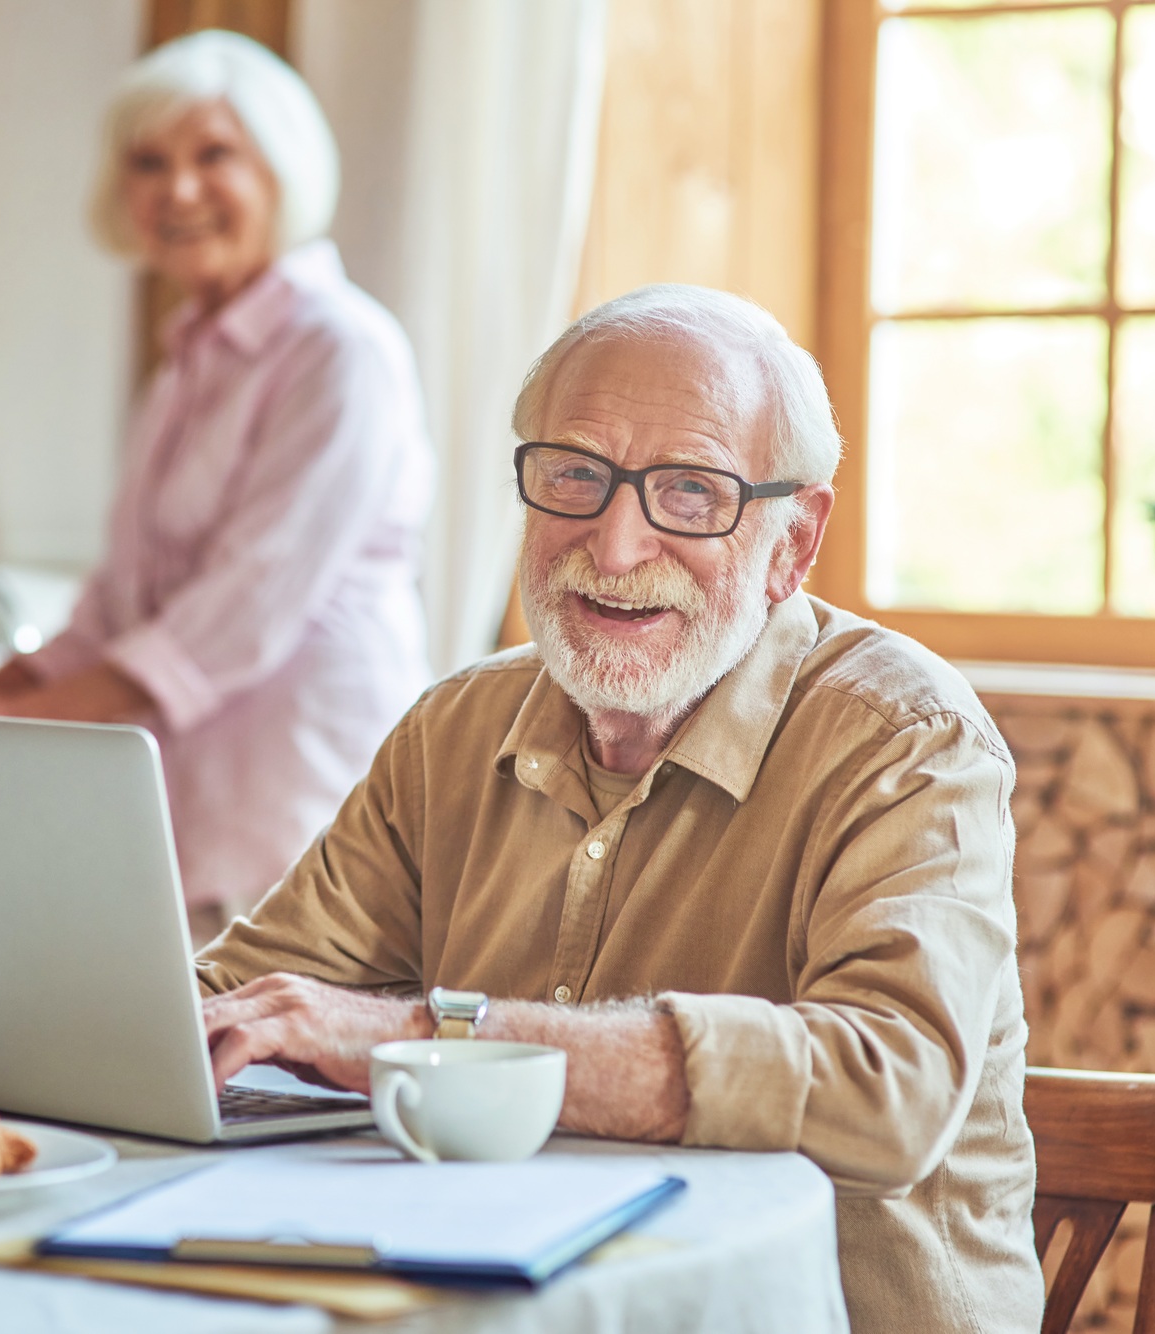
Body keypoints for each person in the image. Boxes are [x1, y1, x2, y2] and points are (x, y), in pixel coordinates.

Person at [194, 285, 1043, 1333]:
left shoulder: (906, 739)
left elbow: (886, 1084)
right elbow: (238, 997)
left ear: (792, 540)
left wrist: (423, 1037)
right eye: (574, 476)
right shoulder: (451, 730)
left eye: (690, 493)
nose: (615, 541)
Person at [0, 31, 433, 943]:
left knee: (279, 1082)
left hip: (305, 807)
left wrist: (14, 720)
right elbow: (121, 600)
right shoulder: (184, 367)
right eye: (149, 162)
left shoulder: (341, 349)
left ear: (281, 167)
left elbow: (239, 612)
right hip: (189, 814)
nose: (178, 190)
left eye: (213, 154)